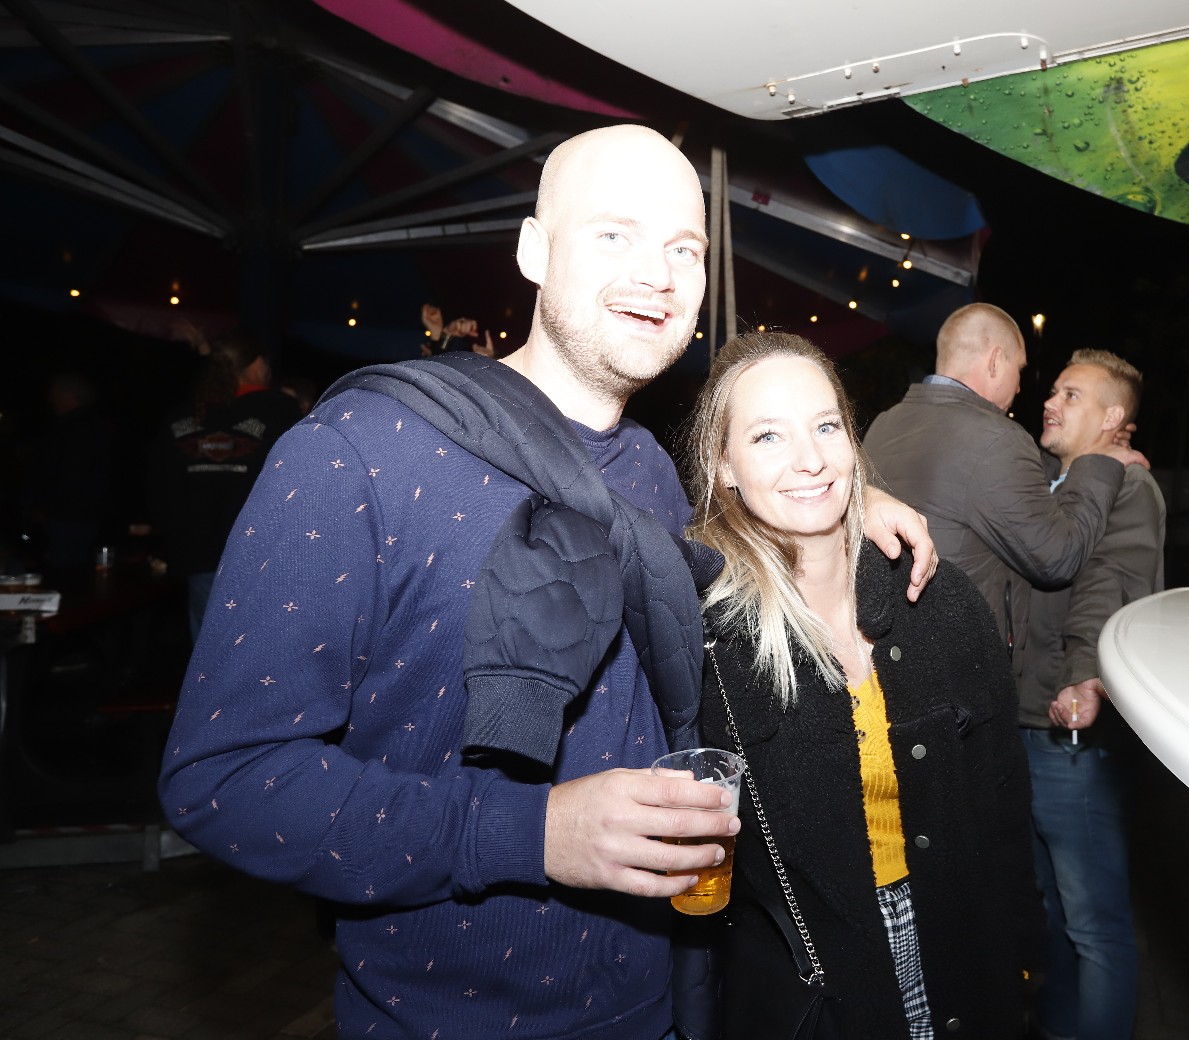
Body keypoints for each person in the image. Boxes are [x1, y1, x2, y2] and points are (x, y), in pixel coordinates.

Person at [158, 124, 935, 1040]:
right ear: (533, 250)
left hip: (658, 1001)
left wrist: (842, 506)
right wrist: (531, 834)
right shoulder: (356, 455)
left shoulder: (648, 470)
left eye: (684, 249)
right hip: (445, 1020)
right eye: (614, 234)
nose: (657, 275)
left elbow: (714, 569)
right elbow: (224, 779)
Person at [689, 332, 1039, 1039]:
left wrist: (1026, 963)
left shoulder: (941, 602)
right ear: (724, 465)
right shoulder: (707, 638)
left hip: (964, 957)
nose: (810, 459)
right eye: (767, 436)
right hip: (822, 990)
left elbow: (1004, 807)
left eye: (826, 427)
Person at [862, 302, 1146, 724]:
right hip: (958, 688)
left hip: (885, 667)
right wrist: (1100, 464)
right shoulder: (997, 438)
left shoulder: (884, 423)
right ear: (995, 361)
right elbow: (1058, 558)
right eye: (1019, 369)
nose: (1022, 387)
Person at [1027, 350, 1166, 1040]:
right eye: (1054, 390)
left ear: (1114, 419)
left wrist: (1084, 675)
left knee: (1094, 924)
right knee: (1052, 911)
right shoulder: (1056, 484)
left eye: (1072, 395)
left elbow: (1113, 585)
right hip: (1034, 724)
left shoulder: (1130, 488)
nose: (1051, 402)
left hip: (1076, 734)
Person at [153, 335, 300, 637]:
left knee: (209, 647)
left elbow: (161, 484)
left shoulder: (183, 413)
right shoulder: (279, 409)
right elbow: (299, 476)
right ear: (257, 364)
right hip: (260, 552)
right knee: (262, 647)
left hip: (199, 551)